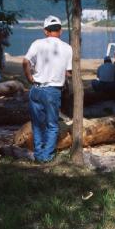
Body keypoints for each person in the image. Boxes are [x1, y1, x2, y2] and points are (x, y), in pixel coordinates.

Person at [22, 15, 72, 163]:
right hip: (52, 91)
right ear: (61, 31)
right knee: (52, 125)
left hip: (36, 89)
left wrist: (29, 77)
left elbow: (25, 62)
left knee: (37, 124)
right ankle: (46, 157)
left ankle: (39, 154)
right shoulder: (67, 48)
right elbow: (68, 72)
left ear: (45, 31)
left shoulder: (37, 43)